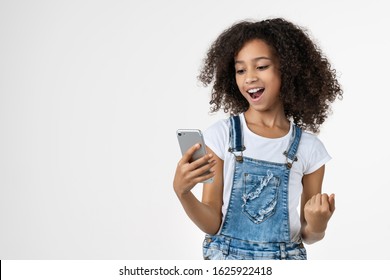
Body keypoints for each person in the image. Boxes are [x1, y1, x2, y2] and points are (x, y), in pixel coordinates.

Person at [173, 17, 343, 260]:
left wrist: (318, 224)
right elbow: (212, 223)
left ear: (289, 69)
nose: (249, 77)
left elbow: (309, 235)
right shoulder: (221, 136)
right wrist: (183, 193)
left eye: (261, 66)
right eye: (241, 70)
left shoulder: (310, 148)